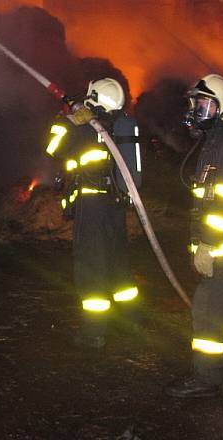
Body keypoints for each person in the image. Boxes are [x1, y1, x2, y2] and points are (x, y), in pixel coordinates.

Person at [166, 73, 223, 398]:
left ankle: (206, 377)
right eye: (196, 103)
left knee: (207, 309)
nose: (196, 110)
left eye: (203, 104)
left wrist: (207, 244)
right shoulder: (218, 140)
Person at [45, 77, 142, 349]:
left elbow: (52, 148)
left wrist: (67, 120)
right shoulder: (116, 126)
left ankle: (93, 332)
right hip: (115, 205)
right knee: (118, 262)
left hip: (92, 207)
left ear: (94, 97)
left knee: (90, 267)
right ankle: (132, 319)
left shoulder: (83, 127)